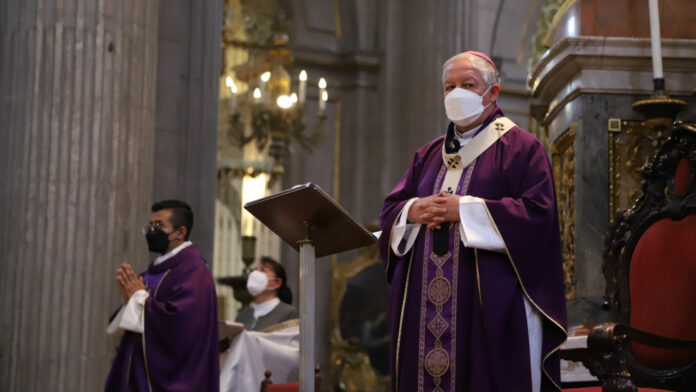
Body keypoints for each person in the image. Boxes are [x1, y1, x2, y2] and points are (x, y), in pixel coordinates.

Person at [379, 51, 567, 392]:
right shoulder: (427, 155)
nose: (456, 94)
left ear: (492, 93)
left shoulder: (522, 149)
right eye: (449, 87)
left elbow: (538, 216)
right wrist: (412, 211)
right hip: (425, 309)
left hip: (488, 307)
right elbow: (392, 208)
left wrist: (463, 210)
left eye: (468, 85)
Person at [105, 200, 219, 392]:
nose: (152, 231)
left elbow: (181, 325)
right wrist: (131, 303)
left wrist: (139, 300)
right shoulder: (152, 272)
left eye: (159, 225)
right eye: (150, 225)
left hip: (175, 379)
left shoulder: (195, 272)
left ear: (181, 232)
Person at [235, 256, 298, 331]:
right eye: (255, 270)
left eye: (263, 270)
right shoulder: (243, 315)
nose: (255, 274)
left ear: (277, 283)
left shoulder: (289, 314)